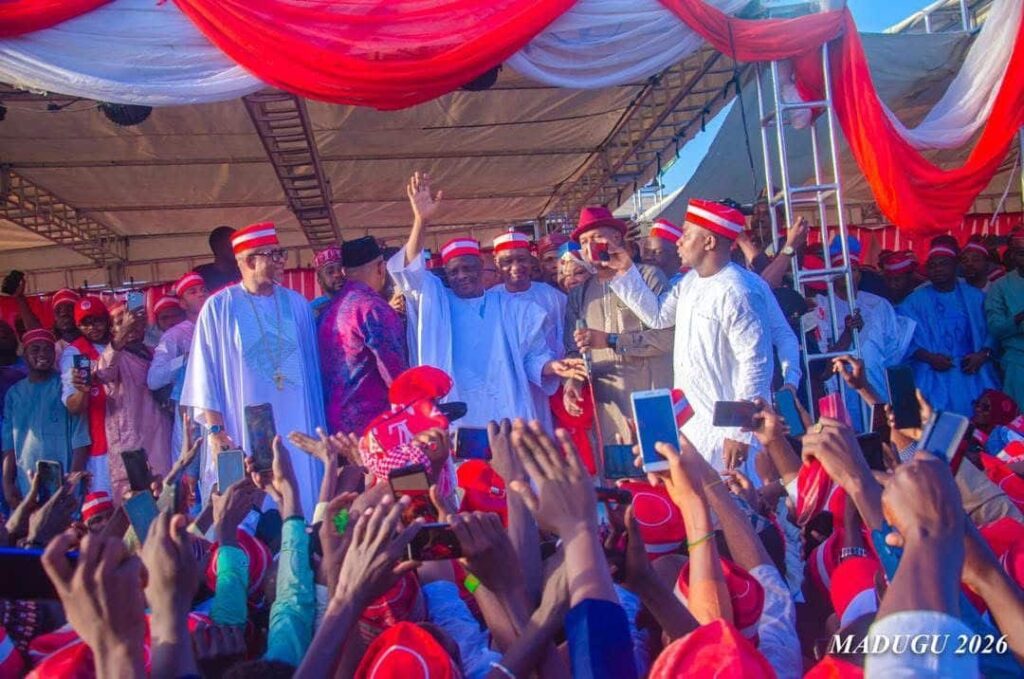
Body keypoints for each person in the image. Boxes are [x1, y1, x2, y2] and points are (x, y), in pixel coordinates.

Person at [388, 173, 585, 429]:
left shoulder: (513, 308)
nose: (462, 276)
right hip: (460, 414)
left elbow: (534, 358)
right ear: (445, 274)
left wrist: (553, 366)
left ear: (482, 266)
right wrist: (421, 221)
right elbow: (409, 273)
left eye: (468, 268)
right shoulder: (438, 304)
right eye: (454, 271)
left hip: (508, 411)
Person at [607, 198, 773, 471]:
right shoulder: (690, 282)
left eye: (686, 234)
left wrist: (740, 431)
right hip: (695, 424)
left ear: (709, 242)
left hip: (727, 432)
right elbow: (658, 316)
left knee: (740, 501)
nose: (679, 242)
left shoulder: (737, 291)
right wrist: (625, 270)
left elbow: (756, 363)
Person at [182, 222, 326, 519]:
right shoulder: (219, 307)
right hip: (240, 426)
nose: (282, 261)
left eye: (281, 253)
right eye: (273, 255)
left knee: (301, 499)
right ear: (249, 261)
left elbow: (311, 374)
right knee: (245, 510)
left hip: (297, 422)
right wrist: (216, 431)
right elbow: (203, 374)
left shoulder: (298, 305)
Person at [564, 205, 674, 451]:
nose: (589, 246)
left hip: (652, 399)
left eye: (596, 238)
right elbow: (573, 351)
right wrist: (572, 383)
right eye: (583, 242)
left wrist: (611, 340)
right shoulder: (579, 294)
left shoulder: (649, 277)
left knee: (666, 473)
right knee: (620, 482)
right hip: (608, 409)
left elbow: (668, 339)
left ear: (616, 238)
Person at [811, 236, 915, 431]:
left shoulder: (879, 305)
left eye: (854, 269)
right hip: (839, 394)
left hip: (877, 388)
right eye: (841, 270)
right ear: (832, 274)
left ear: (859, 273)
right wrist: (848, 334)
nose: (848, 275)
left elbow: (894, 353)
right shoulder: (821, 307)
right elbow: (821, 365)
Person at [318, 235, 408, 436]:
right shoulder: (373, 307)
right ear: (381, 268)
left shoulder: (328, 312)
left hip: (335, 430)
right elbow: (396, 377)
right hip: (372, 431)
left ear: (344, 272)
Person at [898, 242, 998, 417]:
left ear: (955, 266)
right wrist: (930, 358)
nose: (937, 269)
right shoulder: (913, 301)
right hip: (934, 375)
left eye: (943, 264)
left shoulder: (975, 297)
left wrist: (982, 355)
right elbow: (902, 340)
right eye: (932, 265)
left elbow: (994, 330)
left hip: (973, 373)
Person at [95, 303, 173, 503]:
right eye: (120, 322)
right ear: (112, 329)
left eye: (133, 320)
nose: (129, 325)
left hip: (161, 439)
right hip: (131, 443)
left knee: (166, 504)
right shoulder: (113, 355)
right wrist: (122, 335)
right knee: (135, 508)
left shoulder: (155, 352)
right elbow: (102, 373)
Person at [490, 230, 567, 430]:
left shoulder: (554, 297)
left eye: (522, 259)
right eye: (507, 261)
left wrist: (555, 368)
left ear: (531, 261)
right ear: (497, 263)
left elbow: (563, 338)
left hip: (548, 385)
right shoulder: (489, 301)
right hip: (506, 387)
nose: (516, 267)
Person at [2, 329, 89, 506]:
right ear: (24, 355)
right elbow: (8, 444)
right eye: (35, 349)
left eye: (48, 349)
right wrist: (7, 484)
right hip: (26, 482)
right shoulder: (14, 394)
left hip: (63, 481)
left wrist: (72, 481)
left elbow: (80, 439)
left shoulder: (66, 389)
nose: (42, 354)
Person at [148, 272, 209, 463]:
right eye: (192, 292)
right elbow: (154, 379)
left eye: (203, 290)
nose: (201, 295)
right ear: (182, 303)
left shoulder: (220, 326)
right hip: (189, 413)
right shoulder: (174, 336)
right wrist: (185, 359)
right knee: (190, 471)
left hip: (220, 409)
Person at [61, 296, 113, 491]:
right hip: (100, 444)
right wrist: (82, 391)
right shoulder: (74, 353)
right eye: (85, 323)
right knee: (105, 508)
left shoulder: (122, 343)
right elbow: (73, 407)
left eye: (97, 320)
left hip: (132, 439)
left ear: (106, 319)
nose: (92, 327)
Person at [987, 229, 1024, 410]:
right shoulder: (1000, 286)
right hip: (1018, 363)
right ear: (1011, 255)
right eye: (1020, 252)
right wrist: (1018, 318)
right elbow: (995, 328)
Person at [194, 225, 242, 293]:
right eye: (232, 246)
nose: (238, 249)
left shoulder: (246, 271)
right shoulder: (201, 275)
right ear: (218, 248)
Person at [643, 218, 684, 285]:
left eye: (658, 252)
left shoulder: (685, 286)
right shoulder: (642, 283)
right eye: (646, 252)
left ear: (678, 255)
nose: (649, 257)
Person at [309, 245, 345, 322]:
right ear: (320, 281)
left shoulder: (359, 303)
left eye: (341, 269)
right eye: (330, 272)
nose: (337, 274)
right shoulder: (312, 310)